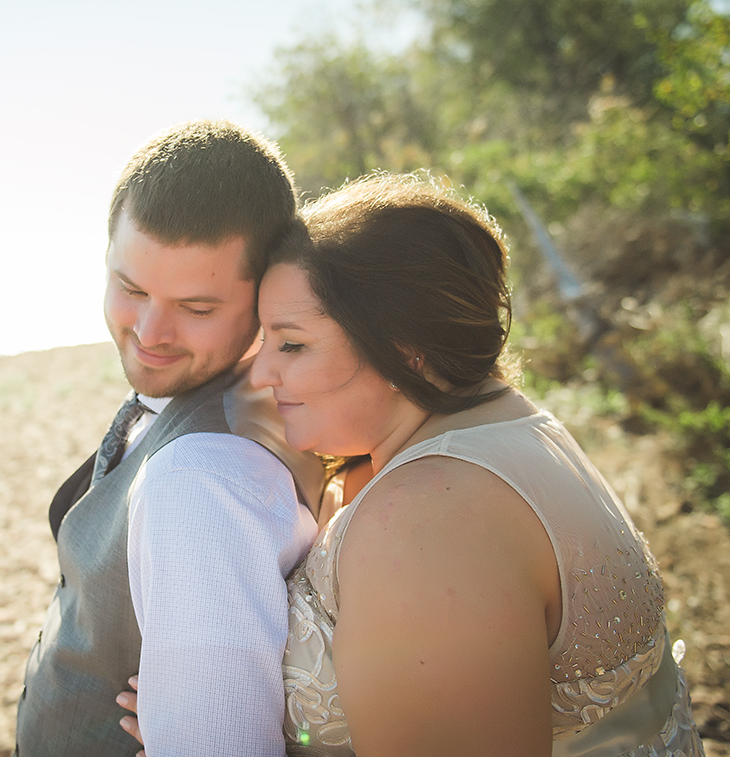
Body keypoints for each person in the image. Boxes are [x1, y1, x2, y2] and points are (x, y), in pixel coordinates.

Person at [121, 171, 705, 756]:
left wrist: (202, 736)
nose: (263, 372)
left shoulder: (425, 522)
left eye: (291, 344)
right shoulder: (519, 430)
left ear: (406, 348)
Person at [15, 119, 327, 757]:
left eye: (197, 308)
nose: (150, 332)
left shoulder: (215, 474)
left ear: (267, 294)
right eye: (130, 289)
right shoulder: (181, 394)